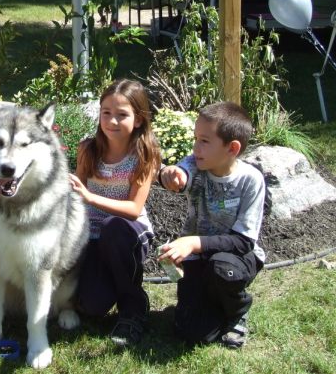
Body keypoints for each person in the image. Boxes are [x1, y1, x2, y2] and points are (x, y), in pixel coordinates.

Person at [158, 102, 265, 349]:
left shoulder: (250, 180)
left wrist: (193, 243)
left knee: (222, 269)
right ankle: (214, 305)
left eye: (204, 141)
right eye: (195, 139)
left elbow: (243, 241)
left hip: (236, 258)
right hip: (197, 258)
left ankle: (238, 310)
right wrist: (171, 175)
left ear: (232, 148)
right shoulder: (196, 164)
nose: (195, 148)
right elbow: (180, 176)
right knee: (192, 333)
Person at [70, 79, 161, 346]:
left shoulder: (145, 153)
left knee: (114, 228)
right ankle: (106, 283)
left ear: (139, 119)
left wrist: (89, 197)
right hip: (91, 235)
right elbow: (75, 195)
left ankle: (133, 306)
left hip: (128, 234)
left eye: (122, 115)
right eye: (106, 113)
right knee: (92, 306)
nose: (112, 121)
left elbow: (133, 209)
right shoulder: (88, 149)